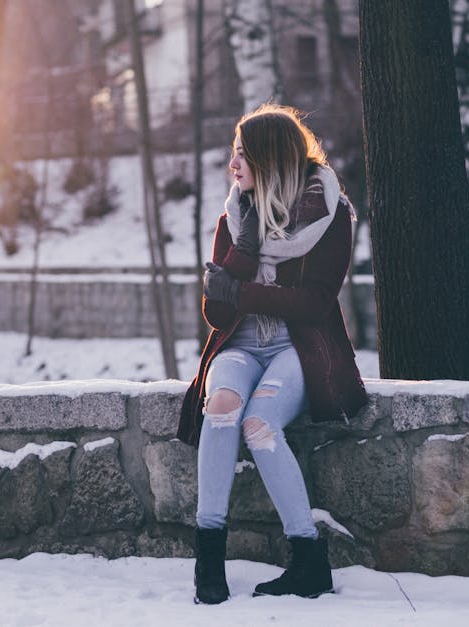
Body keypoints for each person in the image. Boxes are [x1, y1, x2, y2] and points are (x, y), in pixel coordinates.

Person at [177, 104, 368, 604]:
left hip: (297, 347)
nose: (232, 164)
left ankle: (309, 561)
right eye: (233, 153)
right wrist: (242, 253)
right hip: (239, 346)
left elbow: (314, 303)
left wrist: (241, 290)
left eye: (242, 154)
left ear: (270, 158)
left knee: (259, 425)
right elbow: (218, 314)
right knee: (221, 408)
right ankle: (209, 559)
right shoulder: (234, 218)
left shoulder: (330, 218)